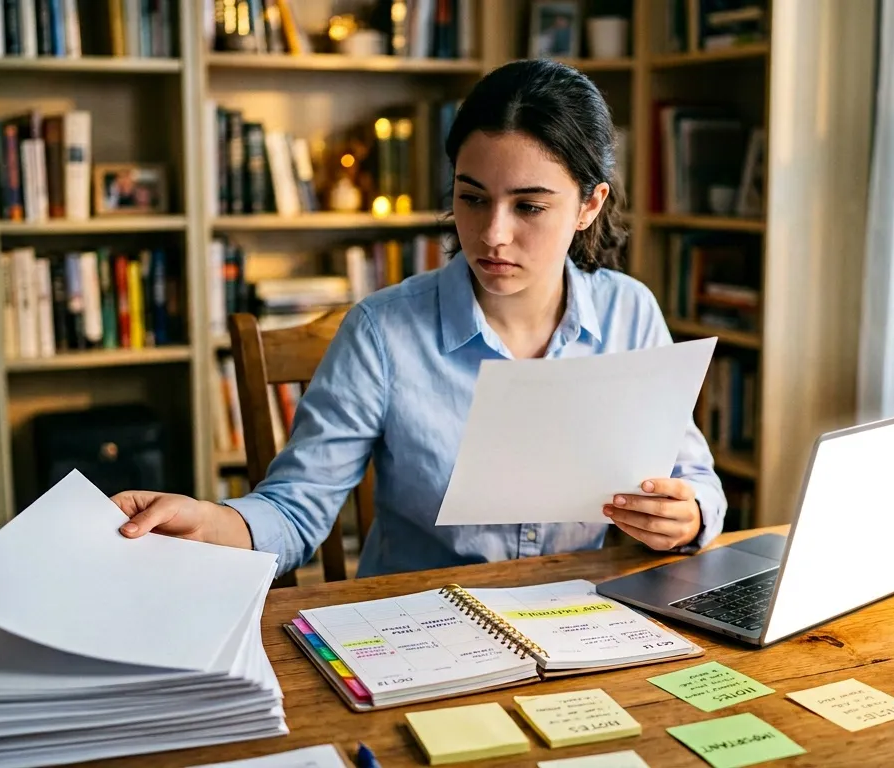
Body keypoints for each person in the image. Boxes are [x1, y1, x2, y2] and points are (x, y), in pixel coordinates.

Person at [111, 59, 727, 578]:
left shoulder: (630, 312)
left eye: (530, 206)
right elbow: (298, 509)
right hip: (414, 628)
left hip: (574, 620)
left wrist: (689, 514)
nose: (493, 234)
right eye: (472, 197)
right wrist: (213, 522)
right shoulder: (382, 332)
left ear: (590, 205)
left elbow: (692, 476)